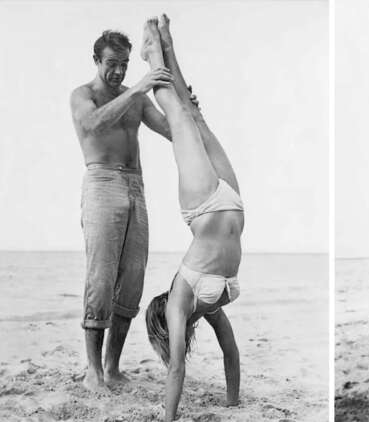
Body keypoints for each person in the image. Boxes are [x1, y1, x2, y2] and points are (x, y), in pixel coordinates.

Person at [69, 28, 195, 392]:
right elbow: (92, 124)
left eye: (124, 65)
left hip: (136, 186)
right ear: (96, 61)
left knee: (132, 280)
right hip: (102, 183)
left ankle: (113, 366)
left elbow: (171, 130)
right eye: (112, 64)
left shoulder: (134, 98)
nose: (119, 72)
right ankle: (93, 370)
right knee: (101, 278)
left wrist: (186, 110)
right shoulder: (83, 95)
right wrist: (139, 87)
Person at [140, 15, 242, 421]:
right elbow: (229, 352)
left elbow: (178, 368)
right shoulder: (208, 306)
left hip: (203, 206)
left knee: (184, 117)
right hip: (231, 202)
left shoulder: (181, 301)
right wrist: (232, 405)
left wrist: (168, 419)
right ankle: (165, 41)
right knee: (195, 117)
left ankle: (156, 53)